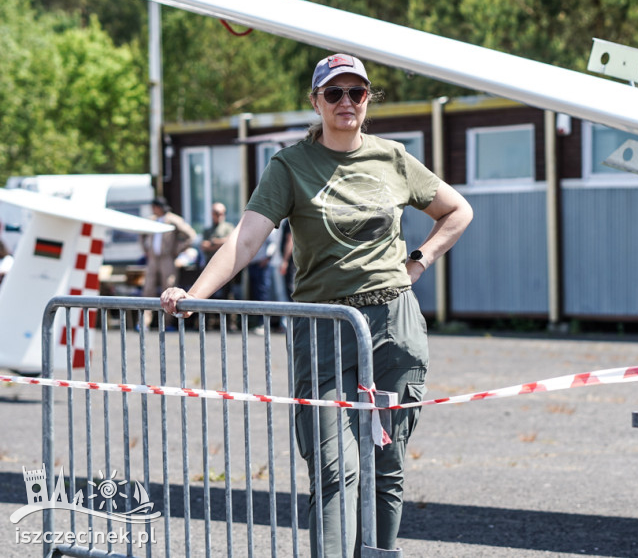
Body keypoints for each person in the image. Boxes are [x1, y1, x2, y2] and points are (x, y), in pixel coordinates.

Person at [160, 53, 473, 556]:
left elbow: (458, 210)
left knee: (385, 465)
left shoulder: (392, 157)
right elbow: (245, 239)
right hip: (327, 326)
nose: (346, 102)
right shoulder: (290, 165)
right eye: (335, 93)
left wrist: (417, 262)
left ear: (368, 100)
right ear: (316, 102)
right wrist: (196, 295)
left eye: (357, 93)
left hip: (395, 323)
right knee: (334, 468)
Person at [141, 196, 197, 329]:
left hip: (167, 258)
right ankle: (145, 323)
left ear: (158, 207)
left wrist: (177, 249)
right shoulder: (151, 220)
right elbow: (141, 234)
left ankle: (168, 323)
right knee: (148, 289)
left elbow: (191, 235)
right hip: (153, 258)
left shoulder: (173, 220)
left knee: (169, 289)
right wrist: (146, 248)